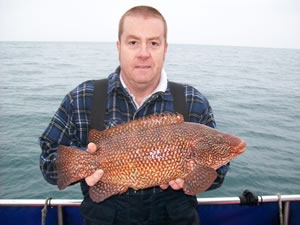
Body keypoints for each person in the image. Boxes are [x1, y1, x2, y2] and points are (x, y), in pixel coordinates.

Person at [39, 5, 229, 225]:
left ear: (165, 49)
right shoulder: (81, 98)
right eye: (133, 42)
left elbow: (220, 171)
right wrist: (84, 165)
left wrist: (191, 179)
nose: (143, 53)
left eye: (154, 43)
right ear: (119, 47)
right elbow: (48, 161)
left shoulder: (194, 103)